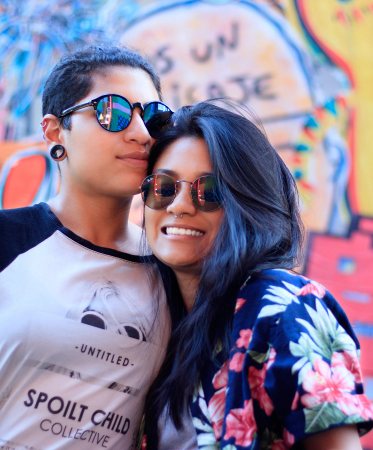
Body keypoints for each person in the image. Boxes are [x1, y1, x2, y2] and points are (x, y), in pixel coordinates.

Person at [140, 102, 373, 450]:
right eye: (164, 187)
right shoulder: (153, 319)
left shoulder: (289, 308)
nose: (179, 205)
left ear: (249, 205)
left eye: (210, 191)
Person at [0, 44, 173, 449]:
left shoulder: (171, 268)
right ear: (56, 131)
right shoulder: (8, 241)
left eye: (153, 116)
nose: (140, 133)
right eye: (111, 112)